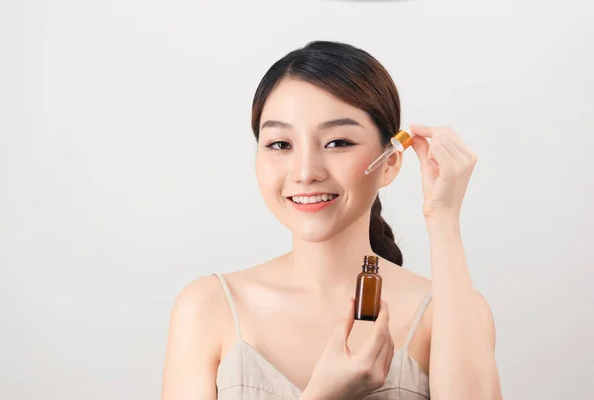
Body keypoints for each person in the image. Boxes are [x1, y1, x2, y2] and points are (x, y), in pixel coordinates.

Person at [161, 40, 502, 400]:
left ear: (390, 162)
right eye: (280, 144)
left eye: (338, 142)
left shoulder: (451, 310)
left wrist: (443, 218)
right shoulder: (207, 306)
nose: (306, 172)